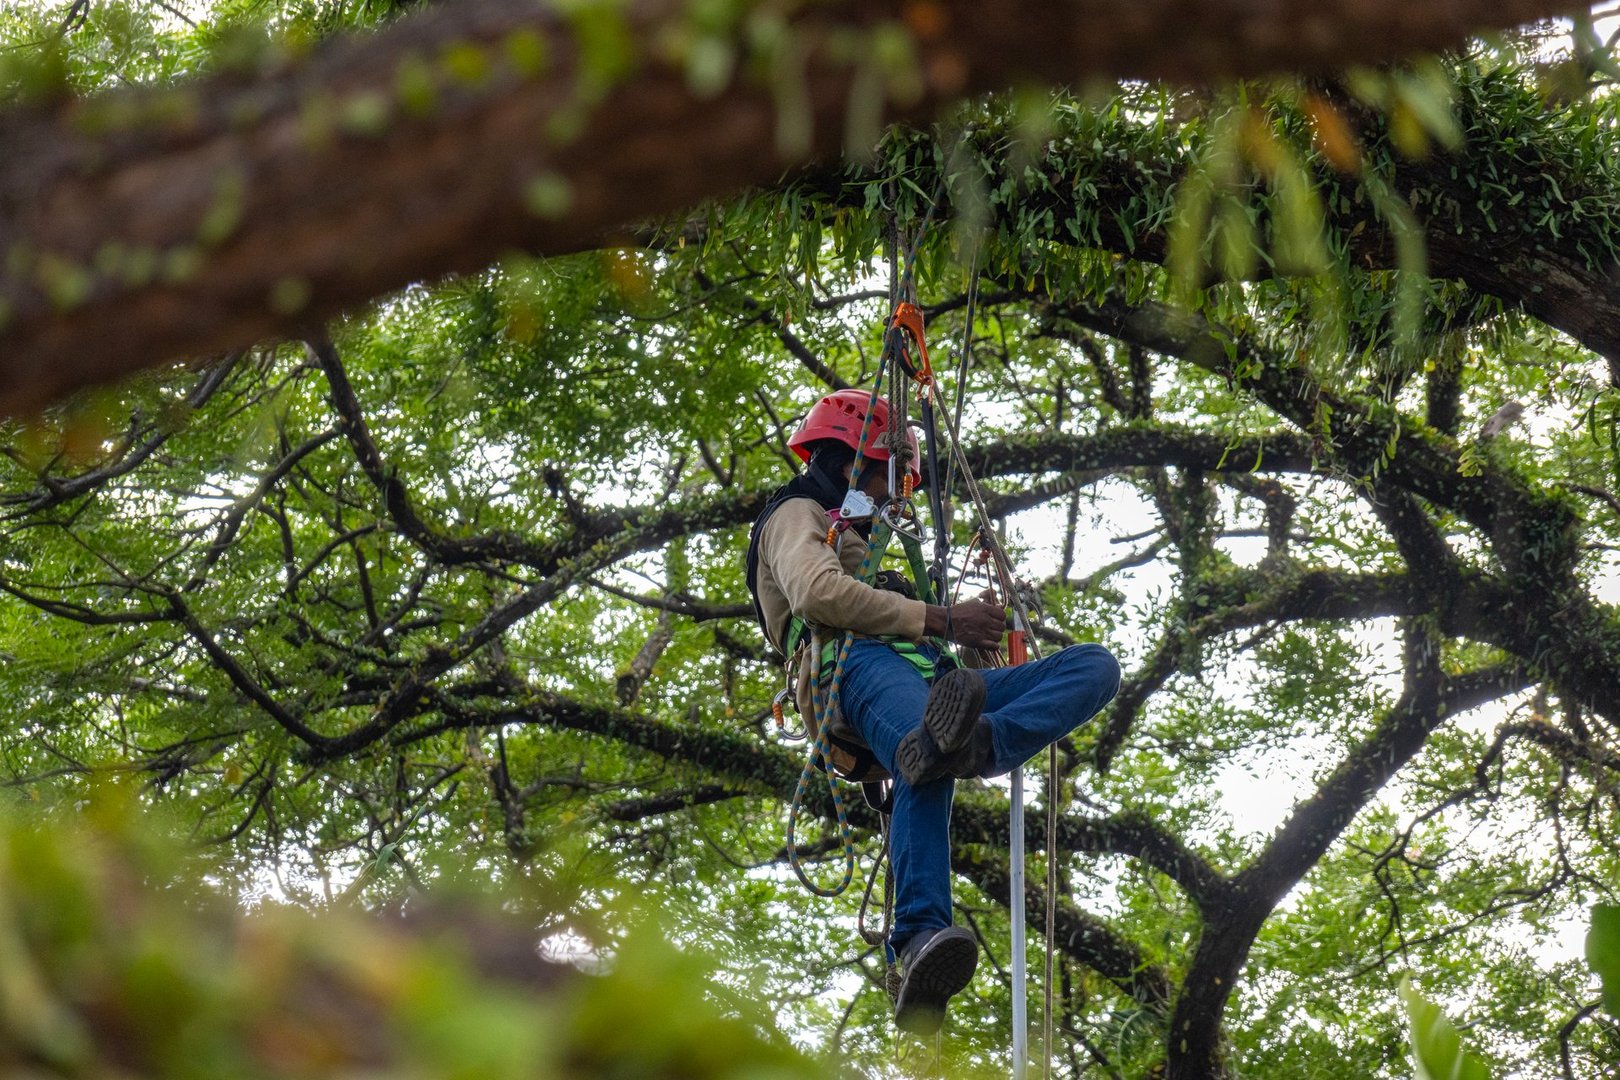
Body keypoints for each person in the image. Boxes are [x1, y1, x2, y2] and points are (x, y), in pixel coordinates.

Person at [745, 388, 1123, 1035]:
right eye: (888, 479)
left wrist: (968, 643)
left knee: (1094, 668)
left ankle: (976, 744)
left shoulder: (877, 543)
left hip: (933, 681)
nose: (898, 499)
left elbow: (931, 649)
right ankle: (919, 936)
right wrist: (944, 617)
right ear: (850, 462)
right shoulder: (799, 512)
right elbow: (816, 592)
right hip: (852, 670)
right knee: (926, 743)